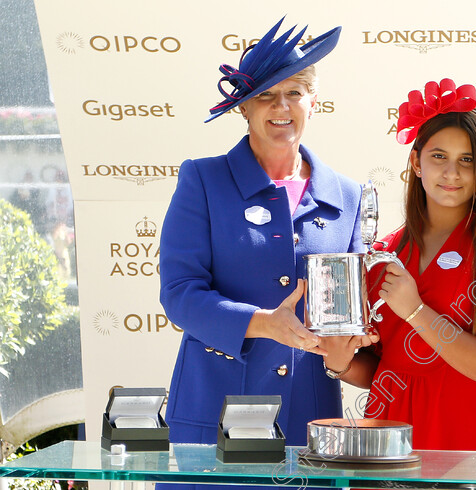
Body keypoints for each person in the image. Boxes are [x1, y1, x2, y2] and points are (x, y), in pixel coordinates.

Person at [159, 17, 376, 463]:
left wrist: (347, 342)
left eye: (294, 91)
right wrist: (263, 323)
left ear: (313, 101)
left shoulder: (349, 196)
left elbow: (349, 312)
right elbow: (179, 294)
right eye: (266, 95)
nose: (282, 106)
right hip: (212, 419)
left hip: (308, 424)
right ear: (243, 107)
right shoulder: (202, 180)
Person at [319, 79, 476, 451]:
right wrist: (340, 363)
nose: (451, 173)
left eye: (467, 160)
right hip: (387, 433)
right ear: (416, 163)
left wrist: (416, 311)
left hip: (466, 433)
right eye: (439, 156)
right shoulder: (382, 252)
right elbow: (383, 369)